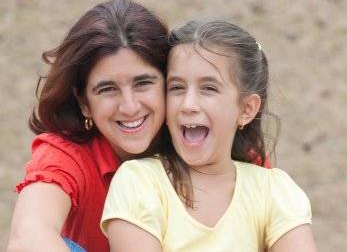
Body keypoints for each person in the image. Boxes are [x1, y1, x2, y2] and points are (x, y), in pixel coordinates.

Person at [100, 19, 318, 252]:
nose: (188, 104)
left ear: (246, 109)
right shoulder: (140, 182)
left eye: (209, 88)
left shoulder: (274, 191)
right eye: (177, 88)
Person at [7, 0, 169, 252]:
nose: (129, 106)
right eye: (107, 89)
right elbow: (27, 237)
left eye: (143, 83)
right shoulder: (68, 153)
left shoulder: (202, 141)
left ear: (169, 84)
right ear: (83, 102)